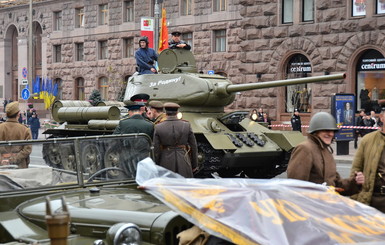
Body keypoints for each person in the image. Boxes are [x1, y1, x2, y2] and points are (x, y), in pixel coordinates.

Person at [287, 112, 364, 195]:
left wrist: (354, 182)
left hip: (325, 203)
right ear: (315, 131)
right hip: (311, 204)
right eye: (326, 130)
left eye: (332, 131)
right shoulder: (305, 149)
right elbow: (296, 185)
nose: (330, 134)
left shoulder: (326, 151)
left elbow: (336, 184)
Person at [350, 108, 385, 212]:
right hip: (373, 201)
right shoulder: (368, 140)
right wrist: (354, 200)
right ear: (382, 118)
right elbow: (356, 169)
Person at [153, 102, 198, 178]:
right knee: (184, 186)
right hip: (184, 160)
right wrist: (194, 165)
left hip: (165, 160)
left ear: (165, 112)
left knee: (167, 186)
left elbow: (156, 150)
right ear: (177, 112)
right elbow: (194, 146)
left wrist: (157, 165)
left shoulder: (158, 127)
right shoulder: (186, 125)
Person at [0, 101, 32, 168]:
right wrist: (12, 160)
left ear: (6, 115)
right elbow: (27, 150)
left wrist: (2, 160)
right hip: (20, 167)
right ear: (18, 114)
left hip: (1, 168)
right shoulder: (25, 130)